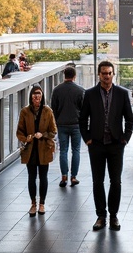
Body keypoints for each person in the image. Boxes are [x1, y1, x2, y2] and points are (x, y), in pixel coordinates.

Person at [79, 61, 133, 232]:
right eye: (103, 73)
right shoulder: (89, 94)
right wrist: (87, 138)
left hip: (116, 144)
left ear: (113, 74)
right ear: (99, 75)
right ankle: (101, 216)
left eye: (109, 73)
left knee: (115, 182)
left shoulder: (122, 93)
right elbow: (82, 119)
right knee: (98, 181)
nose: (106, 76)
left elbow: (129, 118)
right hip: (96, 144)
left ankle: (114, 215)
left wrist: (125, 138)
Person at [17, 85, 56, 217]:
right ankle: (33, 203)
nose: (36, 97)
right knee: (31, 177)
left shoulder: (47, 111)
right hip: (30, 150)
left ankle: (42, 204)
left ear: (42, 96)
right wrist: (26, 138)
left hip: (44, 149)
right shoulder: (25, 112)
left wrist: (43, 135)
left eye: (39, 94)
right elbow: (19, 131)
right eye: (34, 95)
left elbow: (53, 131)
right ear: (30, 97)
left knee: (43, 177)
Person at [51, 66, 84, 186]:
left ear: (64, 75)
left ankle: (64, 176)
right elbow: (83, 109)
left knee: (63, 151)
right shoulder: (80, 90)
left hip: (62, 125)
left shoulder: (57, 90)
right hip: (76, 125)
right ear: (74, 76)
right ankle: (73, 177)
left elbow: (53, 108)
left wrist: (57, 121)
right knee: (76, 151)